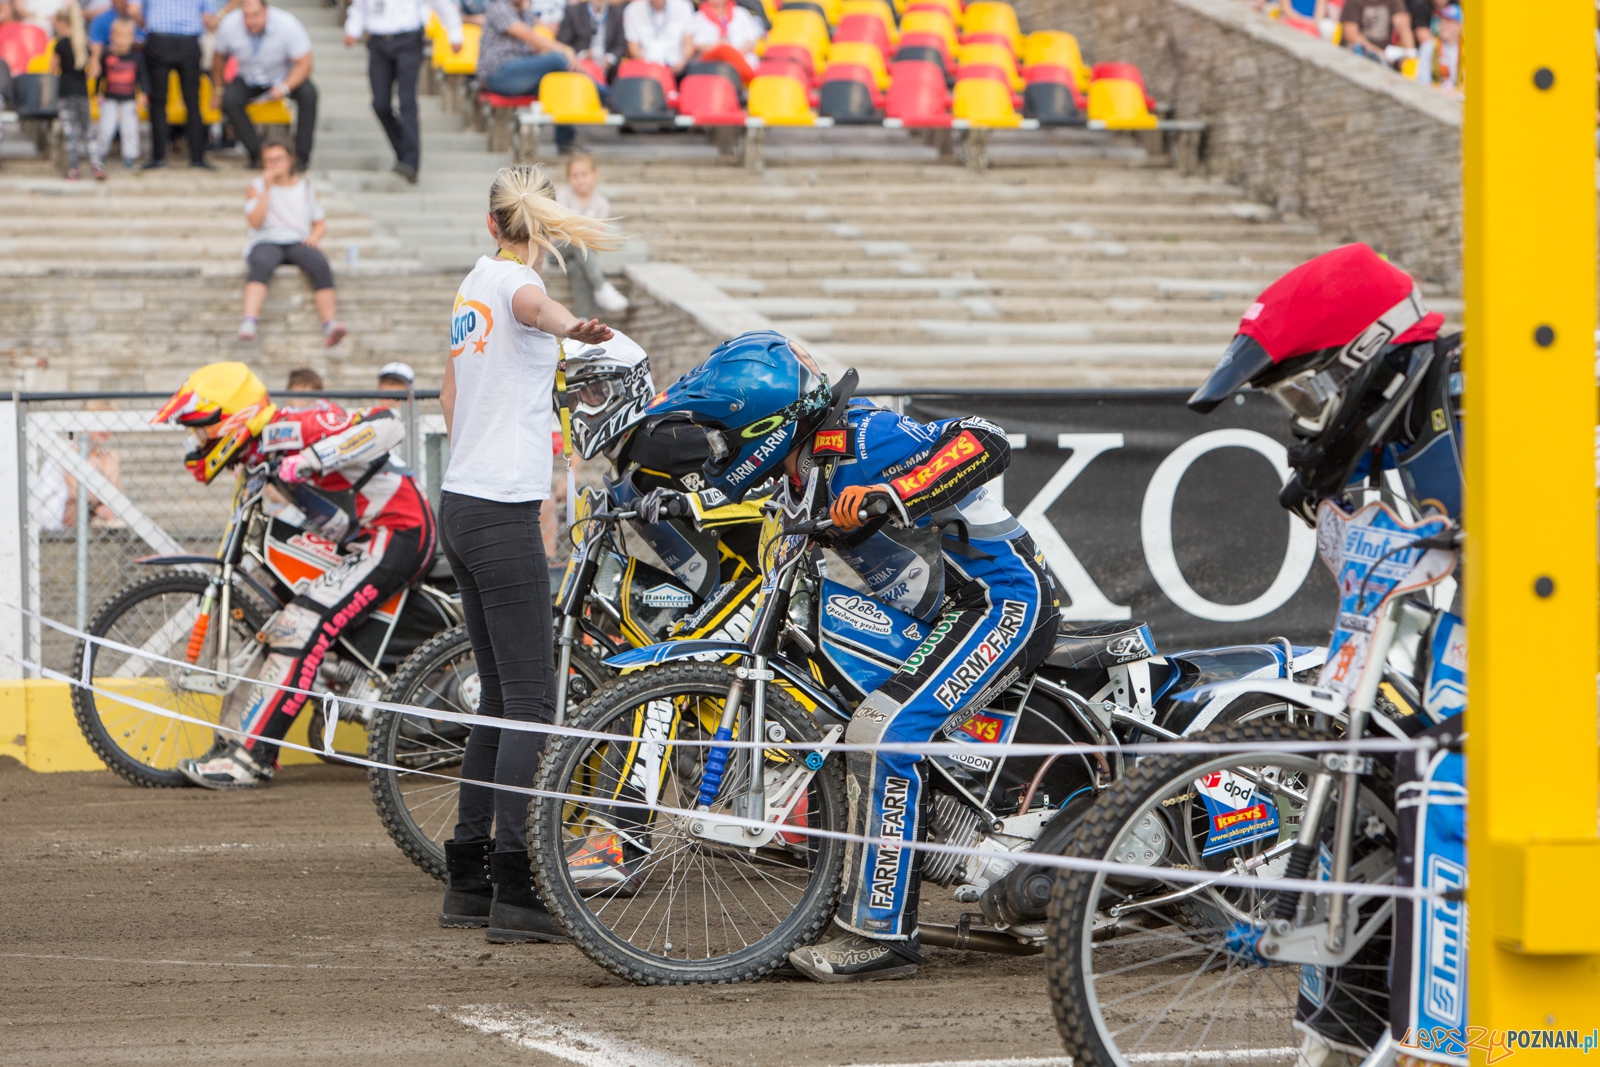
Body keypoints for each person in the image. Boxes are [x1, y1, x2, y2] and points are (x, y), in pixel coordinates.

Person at [640, 331, 1060, 981]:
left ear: (767, 425)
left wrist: (894, 496)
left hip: (998, 601)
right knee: (846, 727)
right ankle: (860, 900)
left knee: (886, 735)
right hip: (941, 614)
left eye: (726, 432)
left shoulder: (864, 438)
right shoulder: (801, 470)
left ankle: (882, 935)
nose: (717, 447)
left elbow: (984, 438)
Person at [1185, 242, 1461, 1066]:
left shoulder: (1480, 402)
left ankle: (1460, 1034)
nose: (1304, 412)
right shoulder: (1358, 446)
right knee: (1357, 855)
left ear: (1365, 356)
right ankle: (1343, 1042)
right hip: (1398, 687)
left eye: (1310, 388)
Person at [434, 164, 616, 942]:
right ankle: (518, 881)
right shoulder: (513, 285)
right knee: (533, 702)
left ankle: (469, 875)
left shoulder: (472, 285)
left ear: (490, 224)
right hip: (500, 509)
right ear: (538, 234)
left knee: (503, 700)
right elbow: (534, 304)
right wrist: (573, 328)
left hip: (461, 500)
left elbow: (450, 388)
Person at [155, 362, 437, 789]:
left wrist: (310, 459)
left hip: (398, 530)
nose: (197, 442)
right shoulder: (256, 455)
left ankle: (253, 761)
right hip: (359, 541)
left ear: (232, 419)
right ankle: (232, 744)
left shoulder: (295, 426)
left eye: (201, 430)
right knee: (270, 625)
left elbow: (387, 426)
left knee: (299, 627)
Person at [342, 0, 462, 185]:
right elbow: (360, 7)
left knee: (407, 101)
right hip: (378, 41)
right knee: (380, 104)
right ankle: (404, 151)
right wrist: (352, 30)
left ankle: (411, 163)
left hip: (408, 40)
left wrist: (455, 34)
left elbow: (442, 4)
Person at [240, 139, 346, 346]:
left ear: (290, 159)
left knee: (320, 263)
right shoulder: (256, 186)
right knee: (261, 263)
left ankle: (330, 323)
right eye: (269, 161)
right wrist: (267, 189)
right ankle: (249, 320)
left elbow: (320, 222)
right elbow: (255, 221)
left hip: (297, 240)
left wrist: (314, 238)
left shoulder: (306, 187)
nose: (274, 164)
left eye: (278, 159)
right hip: (266, 239)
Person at [212, 0, 316, 170]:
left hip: (282, 77)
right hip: (248, 77)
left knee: (309, 93)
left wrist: (284, 87)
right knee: (229, 99)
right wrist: (218, 89)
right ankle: (257, 155)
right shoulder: (230, 25)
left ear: (266, 11)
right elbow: (218, 58)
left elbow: (305, 63)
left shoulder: (287, 24)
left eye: (256, 15)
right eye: (246, 16)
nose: (251, 21)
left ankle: (301, 157)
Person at [477, 0, 578, 153]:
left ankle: (565, 144)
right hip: (497, 74)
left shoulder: (523, 10)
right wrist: (564, 49)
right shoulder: (498, 6)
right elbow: (528, 35)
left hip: (517, 73)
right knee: (558, 59)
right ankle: (602, 94)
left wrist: (526, 7)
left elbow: (530, 40)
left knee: (557, 86)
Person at [143, 0, 218, 169]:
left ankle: (158, 157)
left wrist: (147, 26)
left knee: (158, 102)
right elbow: (209, 21)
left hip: (158, 40)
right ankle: (197, 158)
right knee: (193, 103)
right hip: (188, 42)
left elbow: (133, 9)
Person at [554, 153, 628, 316]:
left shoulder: (601, 203)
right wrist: (583, 230)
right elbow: (561, 230)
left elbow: (596, 236)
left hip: (582, 253)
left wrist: (579, 230)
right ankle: (601, 286)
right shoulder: (563, 196)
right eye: (575, 176)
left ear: (594, 175)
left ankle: (583, 317)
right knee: (576, 240)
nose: (580, 180)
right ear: (568, 177)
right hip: (558, 250)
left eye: (584, 175)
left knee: (576, 267)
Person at [49, 3, 96, 180]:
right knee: (88, 131)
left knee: (71, 132)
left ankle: (74, 169)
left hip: (66, 92)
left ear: (62, 22)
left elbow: (51, 70)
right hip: (82, 92)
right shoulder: (83, 43)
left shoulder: (60, 45)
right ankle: (97, 165)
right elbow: (93, 71)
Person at [93, 17, 146, 169]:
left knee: (130, 128)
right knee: (105, 127)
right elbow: (100, 76)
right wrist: (98, 92)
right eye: (119, 36)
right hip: (110, 98)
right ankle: (100, 153)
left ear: (133, 38)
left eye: (127, 36)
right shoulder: (107, 55)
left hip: (129, 99)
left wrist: (142, 94)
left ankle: (130, 155)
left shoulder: (136, 57)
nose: (123, 40)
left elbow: (142, 78)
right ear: (112, 36)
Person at [686, 0, 761, 78]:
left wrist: (735, 54)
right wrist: (723, 49)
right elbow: (697, 45)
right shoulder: (697, 17)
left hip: (742, 59)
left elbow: (750, 40)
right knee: (724, 53)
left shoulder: (741, 13)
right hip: (712, 64)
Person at [555, 0, 624, 81]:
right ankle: (604, 91)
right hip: (580, 66)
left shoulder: (616, 14)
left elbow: (621, 45)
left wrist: (609, 59)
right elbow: (563, 43)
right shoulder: (573, 11)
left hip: (608, 68)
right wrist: (583, 54)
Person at [621, 0, 693, 74]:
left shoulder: (683, 7)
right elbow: (633, 48)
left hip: (677, 66)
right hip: (646, 66)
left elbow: (688, 44)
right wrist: (650, 67)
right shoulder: (632, 10)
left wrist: (682, 62)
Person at [1341, 0, 1414, 64]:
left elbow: (1403, 27)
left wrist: (1409, 54)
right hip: (1359, 53)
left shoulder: (1394, 1)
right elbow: (1351, 35)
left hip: (1386, 56)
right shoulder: (1353, 2)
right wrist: (1378, 53)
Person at [87, 0, 144, 77]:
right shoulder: (101, 19)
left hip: (133, 63)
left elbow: (144, 38)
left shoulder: (139, 18)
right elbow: (96, 43)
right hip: (110, 64)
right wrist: (95, 60)